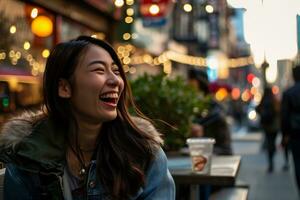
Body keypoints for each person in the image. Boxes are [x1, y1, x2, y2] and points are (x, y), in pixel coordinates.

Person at [0, 36, 175, 200]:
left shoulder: (144, 153)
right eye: (99, 70)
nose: (116, 80)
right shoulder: (27, 155)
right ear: (64, 88)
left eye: (116, 70)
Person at [188, 68, 232, 156]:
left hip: (215, 159)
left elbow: (225, 149)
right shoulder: (189, 107)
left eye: (193, 84)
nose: (188, 85)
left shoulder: (214, 111)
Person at [281, 64, 300, 194]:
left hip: (296, 133)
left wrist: (285, 135)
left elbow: (285, 116)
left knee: (298, 163)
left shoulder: (288, 93)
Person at [256, 86, 280, 173]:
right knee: (272, 142)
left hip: (266, 126)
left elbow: (257, 109)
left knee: (269, 141)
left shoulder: (263, 101)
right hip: (274, 126)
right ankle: (272, 154)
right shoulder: (274, 101)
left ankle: (270, 162)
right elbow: (278, 111)